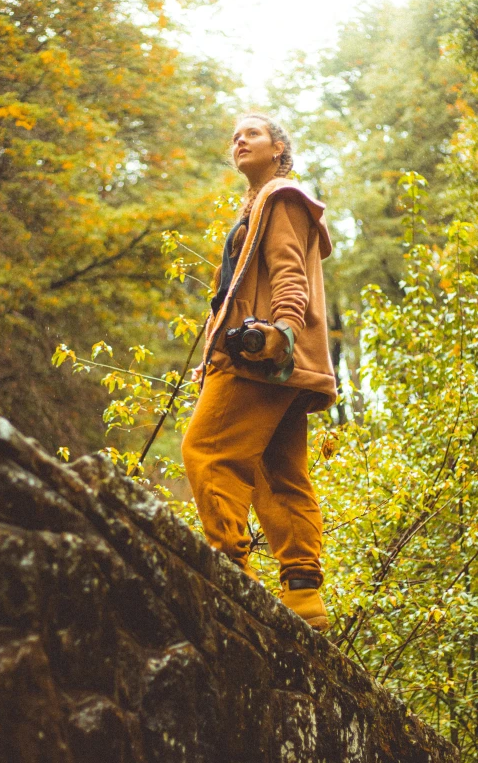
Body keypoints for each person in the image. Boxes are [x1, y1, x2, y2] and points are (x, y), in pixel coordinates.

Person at [182, 113, 337, 631]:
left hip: (261, 362)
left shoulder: (281, 197)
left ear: (278, 148)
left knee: (206, 451)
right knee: (279, 472)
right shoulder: (261, 204)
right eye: (233, 136)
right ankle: (303, 593)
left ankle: (229, 568)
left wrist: (284, 336)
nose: (238, 140)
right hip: (273, 367)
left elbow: (291, 274)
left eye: (251, 133)